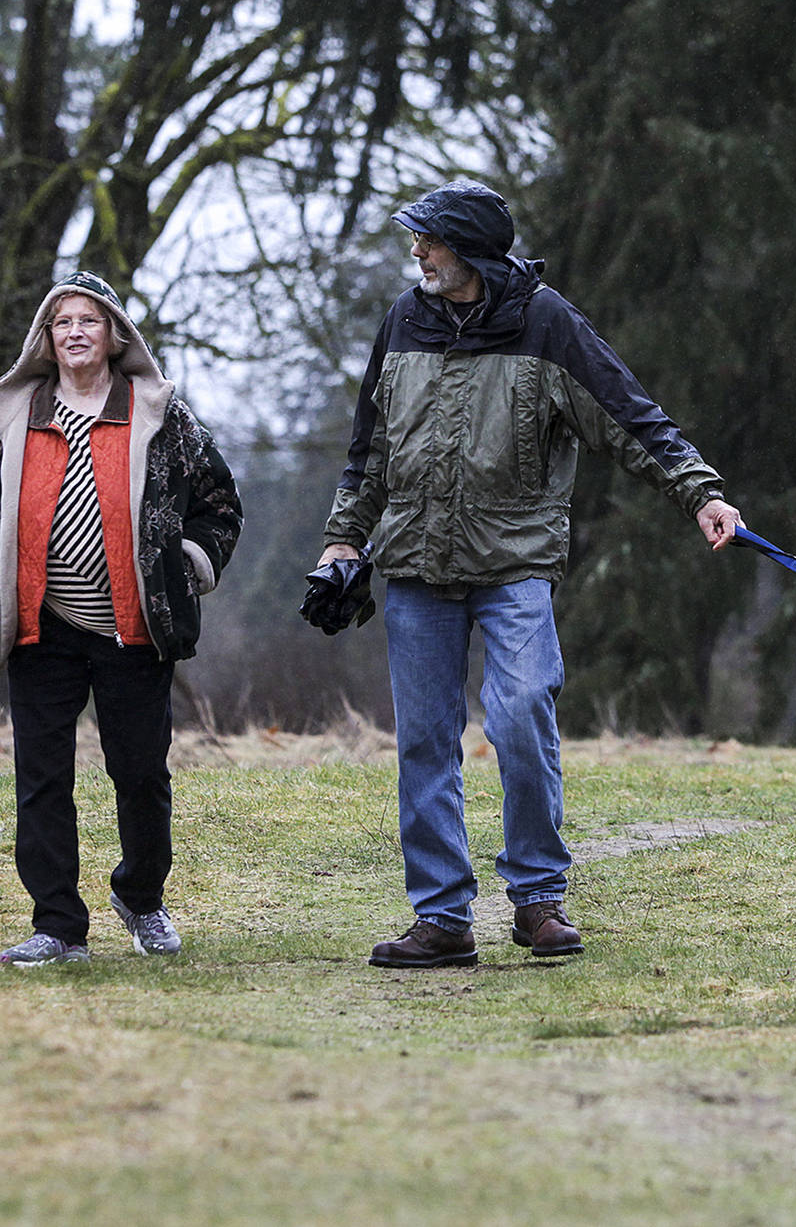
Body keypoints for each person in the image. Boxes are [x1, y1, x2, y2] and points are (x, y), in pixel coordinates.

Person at [318, 180, 743, 968]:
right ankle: (442, 918)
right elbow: (368, 450)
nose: (418, 252)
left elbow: (628, 416)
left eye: (431, 240)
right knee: (424, 743)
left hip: (515, 563)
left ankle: (538, 900)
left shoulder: (545, 322)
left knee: (519, 716)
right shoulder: (403, 320)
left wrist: (700, 493)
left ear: (472, 250)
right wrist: (342, 541)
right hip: (413, 563)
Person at [0, 271, 241, 966]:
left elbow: (220, 499)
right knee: (42, 778)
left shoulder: (158, 413)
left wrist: (189, 562)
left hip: (133, 629)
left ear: (114, 335)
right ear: (46, 339)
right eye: (62, 322)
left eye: (89, 320)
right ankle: (58, 925)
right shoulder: (15, 416)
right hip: (41, 629)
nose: (76, 332)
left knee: (139, 773)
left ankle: (142, 901)